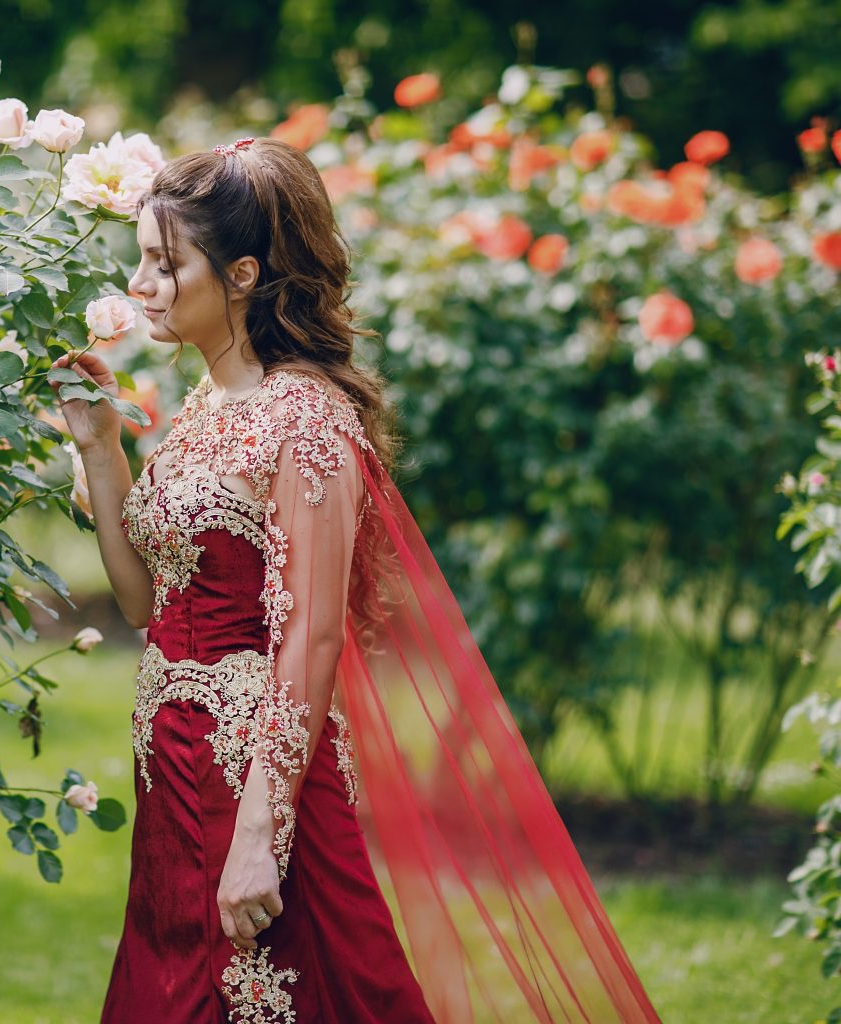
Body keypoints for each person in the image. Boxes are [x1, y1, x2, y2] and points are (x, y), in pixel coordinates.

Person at [50, 137, 662, 1023]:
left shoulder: (307, 422)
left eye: (164, 263)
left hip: (260, 776)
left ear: (244, 273)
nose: (140, 285)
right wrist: (101, 453)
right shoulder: (204, 407)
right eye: (141, 259)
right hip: (173, 774)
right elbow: (150, 604)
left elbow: (314, 635)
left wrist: (260, 836)